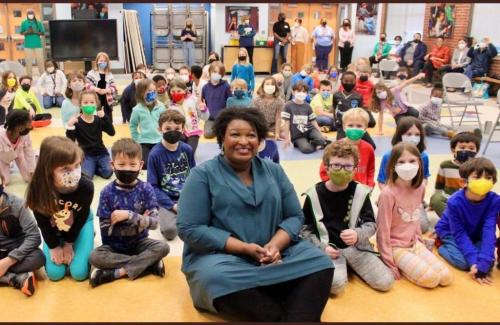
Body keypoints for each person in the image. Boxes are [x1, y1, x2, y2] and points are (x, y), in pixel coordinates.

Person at [177, 108, 333, 321]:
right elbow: (189, 228)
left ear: (259, 140)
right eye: (235, 134)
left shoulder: (273, 170)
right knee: (216, 279)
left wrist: (275, 245)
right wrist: (243, 248)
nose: (244, 141)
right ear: (222, 137)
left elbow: (295, 216)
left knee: (320, 263)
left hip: (278, 251)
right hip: (222, 259)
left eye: (251, 135)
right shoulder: (201, 175)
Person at [303, 142, 393, 294]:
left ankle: (351, 264)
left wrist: (358, 234)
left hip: (357, 247)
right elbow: (304, 230)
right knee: (335, 286)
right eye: (336, 165)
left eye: (347, 166)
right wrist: (321, 248)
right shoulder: (313, 195)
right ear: (327, 166)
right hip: (329, 250)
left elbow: (371, 224)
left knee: (386, 282)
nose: (342, 170)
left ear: (355, 169)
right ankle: (344, 266)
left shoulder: (360, 192)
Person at [89, 138, 170, 287]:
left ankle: (116, 273)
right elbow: (107, 231)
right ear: (113, 165)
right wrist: (140, 222)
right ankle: (147, 264)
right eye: (121, 164)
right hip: (114, 248)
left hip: (140, 243)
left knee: (163, 247)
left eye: (132, 164)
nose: (127, 168)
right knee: (94, 257)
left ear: (140, 165)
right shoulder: (106, 192)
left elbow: (155, 224)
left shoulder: (146, 189)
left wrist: (129, 215)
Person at [377, 142, 452, 289]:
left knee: (446, 277)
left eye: (412, 161)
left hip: (414, 243)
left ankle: (411, 262)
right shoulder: (388, 193)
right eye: (401, 162)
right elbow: (382, 229)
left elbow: (415, 217)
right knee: (431, 279)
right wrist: (389, 261)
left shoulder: (420, 188)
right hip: (395, 246)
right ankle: (404, 266)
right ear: (393, 166)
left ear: (419, 163)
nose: (407, 165)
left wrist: (419, 241)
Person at [26, 136, 94, 281]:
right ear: (48, 169)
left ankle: (88, 234)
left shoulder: (86, 186)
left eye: (77, 165)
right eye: (65, 169)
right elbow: (43, 223)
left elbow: (81, 217)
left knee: (79, 273)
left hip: (80, 222)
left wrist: (69, 244)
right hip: (53, 225)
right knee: (55, 274)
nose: (74, 172)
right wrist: (54, 247)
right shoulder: (38, 189)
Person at [435, 158, 499, 285]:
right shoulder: (454, 202)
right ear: (463, 182)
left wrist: (482, 264)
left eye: (488, 177)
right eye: (477, 177)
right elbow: (459, 233)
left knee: (488, 263)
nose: (483, 181)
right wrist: (473, 261)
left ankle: (476, 256)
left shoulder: (494, 200)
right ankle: (440, 243)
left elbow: (489, 230)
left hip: (476, 233)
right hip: (451, 232)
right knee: (463, 263)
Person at [376, 117, 431, 233]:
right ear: (399, 135)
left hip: (414, 197)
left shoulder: (424, 156)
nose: (413, 138)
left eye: (417, 134)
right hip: (394, 198)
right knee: (385, 225)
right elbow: (381, 181)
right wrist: (391, 197)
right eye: (409, 134)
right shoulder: (389, 156)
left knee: (423, 226)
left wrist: (418, 193)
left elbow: (424, 177)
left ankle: (422, 205)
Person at [148, 110, 195, 241]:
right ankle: (169, 215)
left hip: (187, 196)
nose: (172, 131)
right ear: (159, 129)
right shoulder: (155, 154)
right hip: (166, 199)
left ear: (183, 129)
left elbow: (194, 176)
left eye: (177, 128)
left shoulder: (187, 149)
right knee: (169, 232)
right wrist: (172, 206)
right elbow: (153, 186)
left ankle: (182, 216)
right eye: (168, 128)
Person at [0, 174, 45, 296]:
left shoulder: (17, 204)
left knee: (39, 257)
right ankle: (17, 278)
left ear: (3, 183)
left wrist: (8, 261)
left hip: (19, 251)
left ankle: (7, 273)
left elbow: (34, 237)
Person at [319, 108, 375, 189]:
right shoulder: (334, 147)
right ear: (344, 127)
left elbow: (371, 169)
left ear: (365, 128)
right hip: (339, 190)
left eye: (359, 126)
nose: (354, 128)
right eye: (350, 125)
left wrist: (369, 185)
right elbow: (324, 171)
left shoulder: (369, 148)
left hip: (361, 190)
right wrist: (332, 186)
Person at [66, 90, 115, 179]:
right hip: (86, 155)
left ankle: (95, 168)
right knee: (87, 176)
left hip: (101, 153)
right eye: (85, 102)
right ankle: (92, 168)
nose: (89, 105)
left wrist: (104, 117)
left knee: (109, 172)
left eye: (92, 102)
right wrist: (70, 126)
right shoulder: (77, 121)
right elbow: (70, 142)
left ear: (96, 105)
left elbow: (112, 132)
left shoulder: (98, 120)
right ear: (80, 105)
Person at [430, 132, 480, 217]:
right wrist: (433, 203)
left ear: (476, 151)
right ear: (453, 149)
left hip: (470, 201)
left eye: (471, 148)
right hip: (449, 199)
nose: (467, 150)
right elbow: (439, 187)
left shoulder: (479, 167)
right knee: (435, 198)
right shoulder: (445, 165)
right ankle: (452, 220)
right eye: (462, 147)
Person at [333, 71, 376, 150]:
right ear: (341, 80)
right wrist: (336, 121)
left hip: (357, 124)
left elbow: (361, 111)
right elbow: (334, 108)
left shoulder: (358, 96)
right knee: (339, 147)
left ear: (355, 81)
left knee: (372, 146)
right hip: (343, 126)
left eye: (351, 81)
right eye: (346, 81)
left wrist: (362, 124)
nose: (349, 83)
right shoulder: (336, 95)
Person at [282, 82, 328, 154]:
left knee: (322, 140)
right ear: (293, 92)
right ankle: (308, 144)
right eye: (298, 91)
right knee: (306, 149)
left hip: (309, 130)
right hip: (298, 135)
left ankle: (315, 142)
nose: (301, 93)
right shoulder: (288, 105)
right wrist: (287, 138)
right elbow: (287, 123)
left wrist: (320, 133)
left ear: (307, 93)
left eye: (304, 91)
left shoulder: (307, 106)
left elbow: (313, 121)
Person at [130, 79, 166, 169]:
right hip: (144, 141)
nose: (152, 93)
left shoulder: (161, 106)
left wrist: (164, 136)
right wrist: (137, 139)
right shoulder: (137, 109)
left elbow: (165, 122)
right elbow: (133, 125)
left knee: (161, 162)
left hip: (159, 140)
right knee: (145, 165)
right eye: (149, 91)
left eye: (154, 91)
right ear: (141, 93)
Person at [168, 79, 208, 154]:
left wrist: (204, 110)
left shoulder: (193, 100)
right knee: (178, 152)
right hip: (179, 133)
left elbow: (205, 117)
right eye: (173, 91)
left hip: (193, 131)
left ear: (185, 90)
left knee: (190, 152)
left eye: (179, 91)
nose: (176, 93)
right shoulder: (170, 106)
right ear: (170, 92)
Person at [0, 110, 35, 186]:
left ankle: (11, 164)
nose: (29, 127)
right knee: (5, 181)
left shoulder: (25, 135)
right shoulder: (1, 136)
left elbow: (29, 152)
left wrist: (31, 170)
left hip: (18, 154)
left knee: (30, 178)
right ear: (18, 127)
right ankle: (9, 165)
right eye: (27, 125)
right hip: (3, 158)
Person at [201, 62, 232, 139]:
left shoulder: (226, 86)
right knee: (207, 134)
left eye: (219, 73)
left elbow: (230, 102)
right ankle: (218, 129)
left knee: (227, 135)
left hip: (222, 118)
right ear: (210, 72)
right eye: (214, 72)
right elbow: (202, 102)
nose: (216, 74)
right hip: (210, 118)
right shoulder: (205, 87)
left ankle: (220, 128)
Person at [86, 52, 117, 122]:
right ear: (97, 62)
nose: (103, 62)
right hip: (95, 96)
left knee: (108, 116)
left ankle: (107, 124)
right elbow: (87, 85)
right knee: (96, 114)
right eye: (101, 61)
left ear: (107, 63)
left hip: (106, 98)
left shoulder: (109, 74)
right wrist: (97, 89)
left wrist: (106, 90)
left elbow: (113, 87)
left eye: (105, 61)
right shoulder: (91, 73)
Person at [20, 9, 45, 77]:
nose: (30, 15)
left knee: (40, 61)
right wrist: (27, 32)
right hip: (28, 45)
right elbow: (21, 32)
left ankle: (43, 76)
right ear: (27, 14)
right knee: (28, 62)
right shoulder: (24, 22)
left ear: (34, 14)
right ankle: (29, 78)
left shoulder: (38, 23)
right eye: (29, 13)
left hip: (38, 45)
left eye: (31, 13)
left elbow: (43, 32)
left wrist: (35, 32)